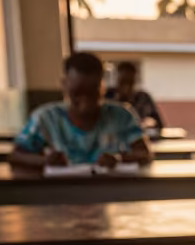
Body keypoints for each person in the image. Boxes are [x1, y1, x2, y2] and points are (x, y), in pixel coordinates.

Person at [10, 52, 153, 170]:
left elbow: (145, 154)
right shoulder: (46, 117)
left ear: (102, 88)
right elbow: (16, 156)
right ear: (64, 85)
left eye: (92, 93)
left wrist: (120, 158)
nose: (85, 101)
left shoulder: (122, 115)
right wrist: (45, 160)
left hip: (110, 191)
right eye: (77, 93)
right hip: (60, 195)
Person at [105, 61, 165, 132]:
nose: (126, 87)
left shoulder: (144, 98)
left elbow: (159, 124)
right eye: (123, 82)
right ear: (117, 79)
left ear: (134, 80)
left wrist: (151, 123)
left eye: (129, 82)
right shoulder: (108, 96)